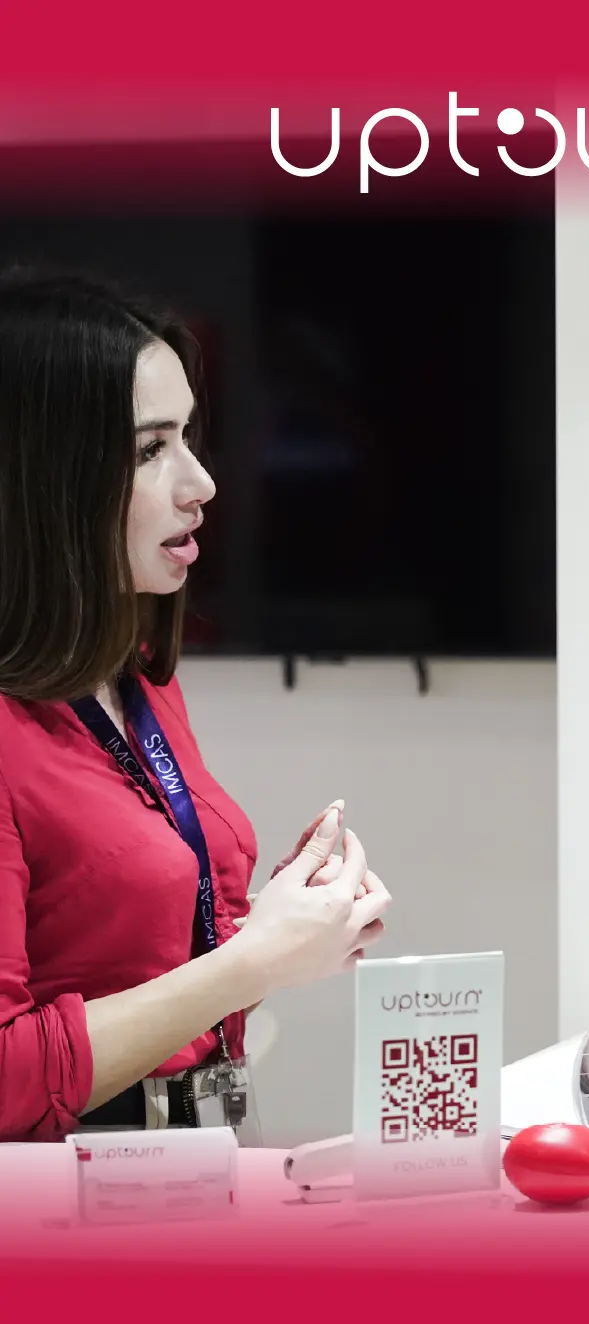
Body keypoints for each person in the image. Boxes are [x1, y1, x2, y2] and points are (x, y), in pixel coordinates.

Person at [0, 265, 392, 1140]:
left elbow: (144, 958)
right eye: (150, 449)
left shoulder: (134, 678)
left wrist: (296, 929)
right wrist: (255, 958)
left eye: (189, 438)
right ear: (42, 475)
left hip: (183, 1161)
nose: (201, 482)